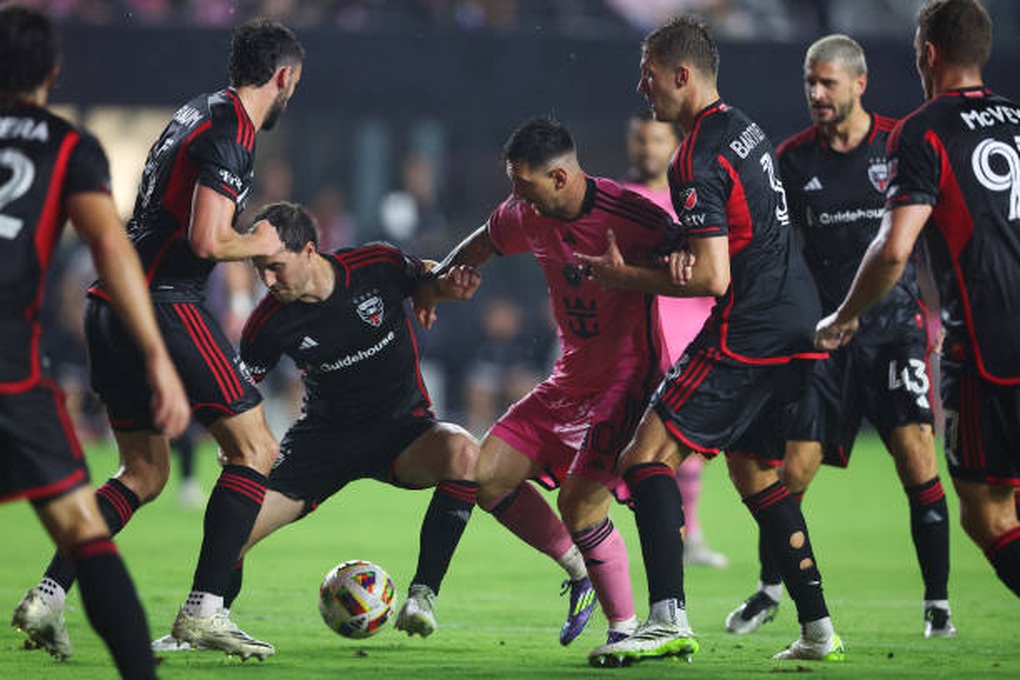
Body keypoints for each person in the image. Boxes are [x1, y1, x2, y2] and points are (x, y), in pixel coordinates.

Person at [12, 17, 305, 660]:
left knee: (143, 472)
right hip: (164, 301)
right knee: (256, 448)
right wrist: (258, 242)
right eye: (294, 87)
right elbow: (205, 239)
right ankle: (206, 608)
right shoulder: (234, 129)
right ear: (283, 77)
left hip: (108, 304)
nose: (291, 98)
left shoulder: (195, 111)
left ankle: (48, 596)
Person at [578, 16, 845, 666]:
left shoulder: (694, 154)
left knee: (645, 458)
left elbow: (713, 275)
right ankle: (818, 631)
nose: (642, 87)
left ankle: (667, 618)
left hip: (749, 325)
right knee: (756, 474)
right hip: (797, 322)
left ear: (680, 74)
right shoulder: (745, 127)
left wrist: (624, 275)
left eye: (648, 73)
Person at [151, 201, 483, 649]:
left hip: (403, 431)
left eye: (275, 267)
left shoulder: (374, 265)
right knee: (235, 528)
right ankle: (206, 621)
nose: (267, 281)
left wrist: (444, 288)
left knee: (463, 452)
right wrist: (231, 432)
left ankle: (422, 596)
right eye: (259, 269)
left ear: (309, 250)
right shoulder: (266, 323)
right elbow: (237, 384)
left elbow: (424, 275)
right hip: (323, 442)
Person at [724, 34, 956, 639]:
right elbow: (777, 249)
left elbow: (925, 237)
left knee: (916, 457)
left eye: (827, 82)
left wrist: (931, 314)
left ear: (860, 83)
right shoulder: (793, 160)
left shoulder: (900, 145)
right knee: (792, 471)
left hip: (892, 333)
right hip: (823, 335)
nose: (817, 94)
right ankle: (769, 590)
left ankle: (939, 608)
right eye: (810, 83)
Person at [424, 116, 681, 646]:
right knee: (484, 475)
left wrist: (633, 276)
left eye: (525, 184)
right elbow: (484, 240)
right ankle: (580, 567)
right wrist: (434, 284)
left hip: (626, 380)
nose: (516, 196)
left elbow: (698, 263)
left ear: (561, 177)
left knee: (581, 503)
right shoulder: (528, 215)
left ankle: (627, 628)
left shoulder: (631, 217)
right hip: (568, 381)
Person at [1, 5, 190, 677]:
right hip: (11, 373)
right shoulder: (68, 147)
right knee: (82, 530)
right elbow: (111, 250)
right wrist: (157, 357)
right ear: (53, 70)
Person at [816, 0, 1020, 599]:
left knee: (987, 513)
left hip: (990, 345)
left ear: (927, 53)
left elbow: (894, 249)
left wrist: (843, 316)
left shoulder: (923, 131)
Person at [622, 109, 726, 569]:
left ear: (674, 145)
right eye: (641, 141)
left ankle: (690, 532)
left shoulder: (695, 199)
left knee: (685, 449)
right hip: (636, 339)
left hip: (691, 332)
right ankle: (603, 530)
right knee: (623, 443)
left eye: (657, 141)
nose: (648, 149)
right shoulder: (619, 200)